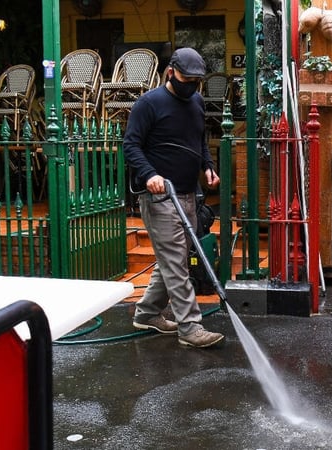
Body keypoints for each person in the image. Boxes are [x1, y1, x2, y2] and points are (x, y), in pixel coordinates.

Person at [123, 47, 224, 348]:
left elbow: (199, 141)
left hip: (188, 193)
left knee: (173, 259)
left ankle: (146, 313)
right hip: (159, 196)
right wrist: (149, 174)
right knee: (176, 263)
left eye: (196, 81)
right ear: (171, 72)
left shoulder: (196, 102)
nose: (190, 85)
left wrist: (208, 166)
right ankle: (190, 327)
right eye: (186, 79)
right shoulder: (148, 104)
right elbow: (131, 145)